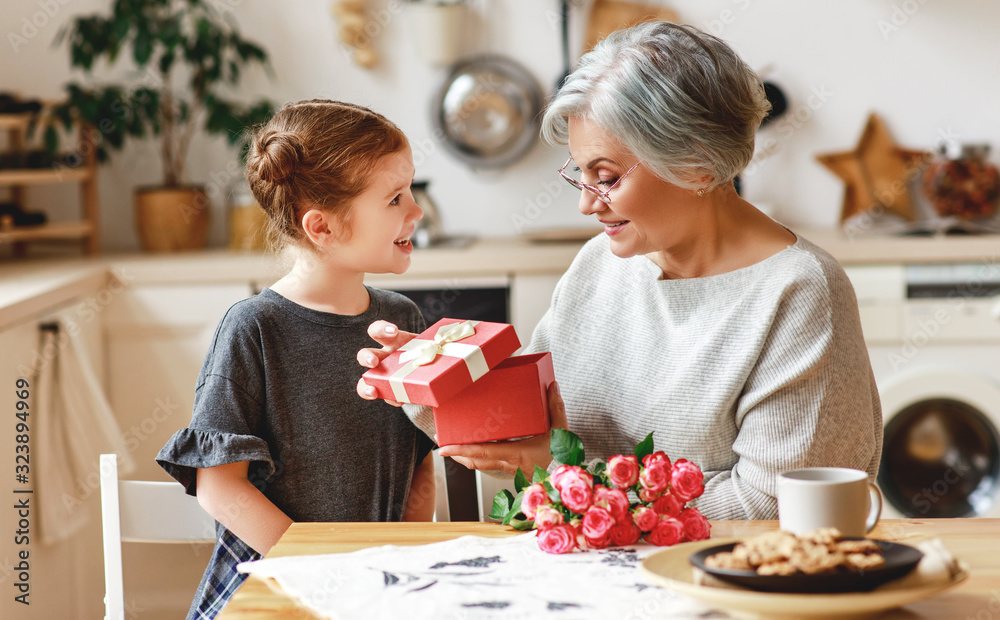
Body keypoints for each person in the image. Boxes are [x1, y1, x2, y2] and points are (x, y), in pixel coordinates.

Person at [357, 22, 881, 521]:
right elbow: (533, 424)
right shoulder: (601, 263)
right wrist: (432, 378)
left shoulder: (799, 291)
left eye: (605, 176)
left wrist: (570, 476)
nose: (587, 204)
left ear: (699, 162)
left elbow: (770, 508)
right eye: (580, 174)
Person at [156, 99, 435, 620]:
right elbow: (220, 490)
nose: (416, 211)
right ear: (322, 227)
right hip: (278, 585)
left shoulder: (403, 319)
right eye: (396, 198)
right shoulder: (253, 329)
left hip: (376, 587)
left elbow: (420, 464)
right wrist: (324, 571)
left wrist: (406, 559)